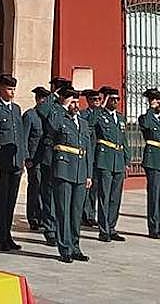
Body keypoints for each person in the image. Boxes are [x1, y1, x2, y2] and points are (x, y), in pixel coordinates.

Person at [45, 87, 92, 263]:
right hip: (64, 170)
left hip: (80, 171)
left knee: (76, 212)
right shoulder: (59, 118)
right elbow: (52, 126)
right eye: (71, 101)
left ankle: (75, 246)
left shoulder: (83, 122)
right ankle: (64, 248)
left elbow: (88, 149)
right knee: (63, 210)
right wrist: (60, 103)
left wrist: (88, 174)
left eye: (77, 101)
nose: (75, 104)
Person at [0, 73, 25, 251]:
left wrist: (23, 158)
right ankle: (1, 238)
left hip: (15, 161)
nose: (12, 92)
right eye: (9, 89)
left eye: (14, 89)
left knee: (11, 201)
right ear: (1, 89)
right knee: (1, 202)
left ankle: (8, 235)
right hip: (1, 163)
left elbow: (20, 136)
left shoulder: (16, 109)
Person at [93, 86, 127, 242]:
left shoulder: (120, 118)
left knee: (115, 197)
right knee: (104, 196)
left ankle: (112, 227)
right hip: (104, 159)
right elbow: (90, 123)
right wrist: (100, 106)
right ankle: (104, 229)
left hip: (118, 160)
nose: (115, 102)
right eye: (112, 99)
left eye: (117, 99)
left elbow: (124, 140)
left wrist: (126, 161)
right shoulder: (99, 116)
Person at [138, 88, 160, 240]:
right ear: (151, 102)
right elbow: (144, 125)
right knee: (154, 193)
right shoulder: (145, 118)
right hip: (153, 159)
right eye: (156, 100)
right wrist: (150, 110)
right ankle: (153, 226)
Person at [29, 84, 60, 246]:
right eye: (41, 97)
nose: (42, 100)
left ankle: (50, 223)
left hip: (55, 159)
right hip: (39, 158)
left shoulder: (57, 112)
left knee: (52, 195)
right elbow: (27, 137)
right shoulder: (35, 113)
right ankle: (39, 220)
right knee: (39, 190)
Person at [22, 86, 52, 232]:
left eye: (45, 99)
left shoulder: (48, 116)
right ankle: (33, 217)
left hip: (46, 158)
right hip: (34, 158)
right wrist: (26, 157)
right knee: (35, 187)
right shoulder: (30, 115)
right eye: (40, 98)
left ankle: (44, 217)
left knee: (45, 189)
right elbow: (24, 138)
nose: (42, 101)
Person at [79, 89, 104, 227]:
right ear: (88, 101)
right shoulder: (84, 114)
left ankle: (91, 213)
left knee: (95, 187)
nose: (97, 102)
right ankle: (86, 214)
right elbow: (91, 124)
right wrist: (98, 111)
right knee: (87, 187)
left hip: (98, 154)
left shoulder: (101, 114)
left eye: (99, 100)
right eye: (94, 100)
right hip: (87, 154)